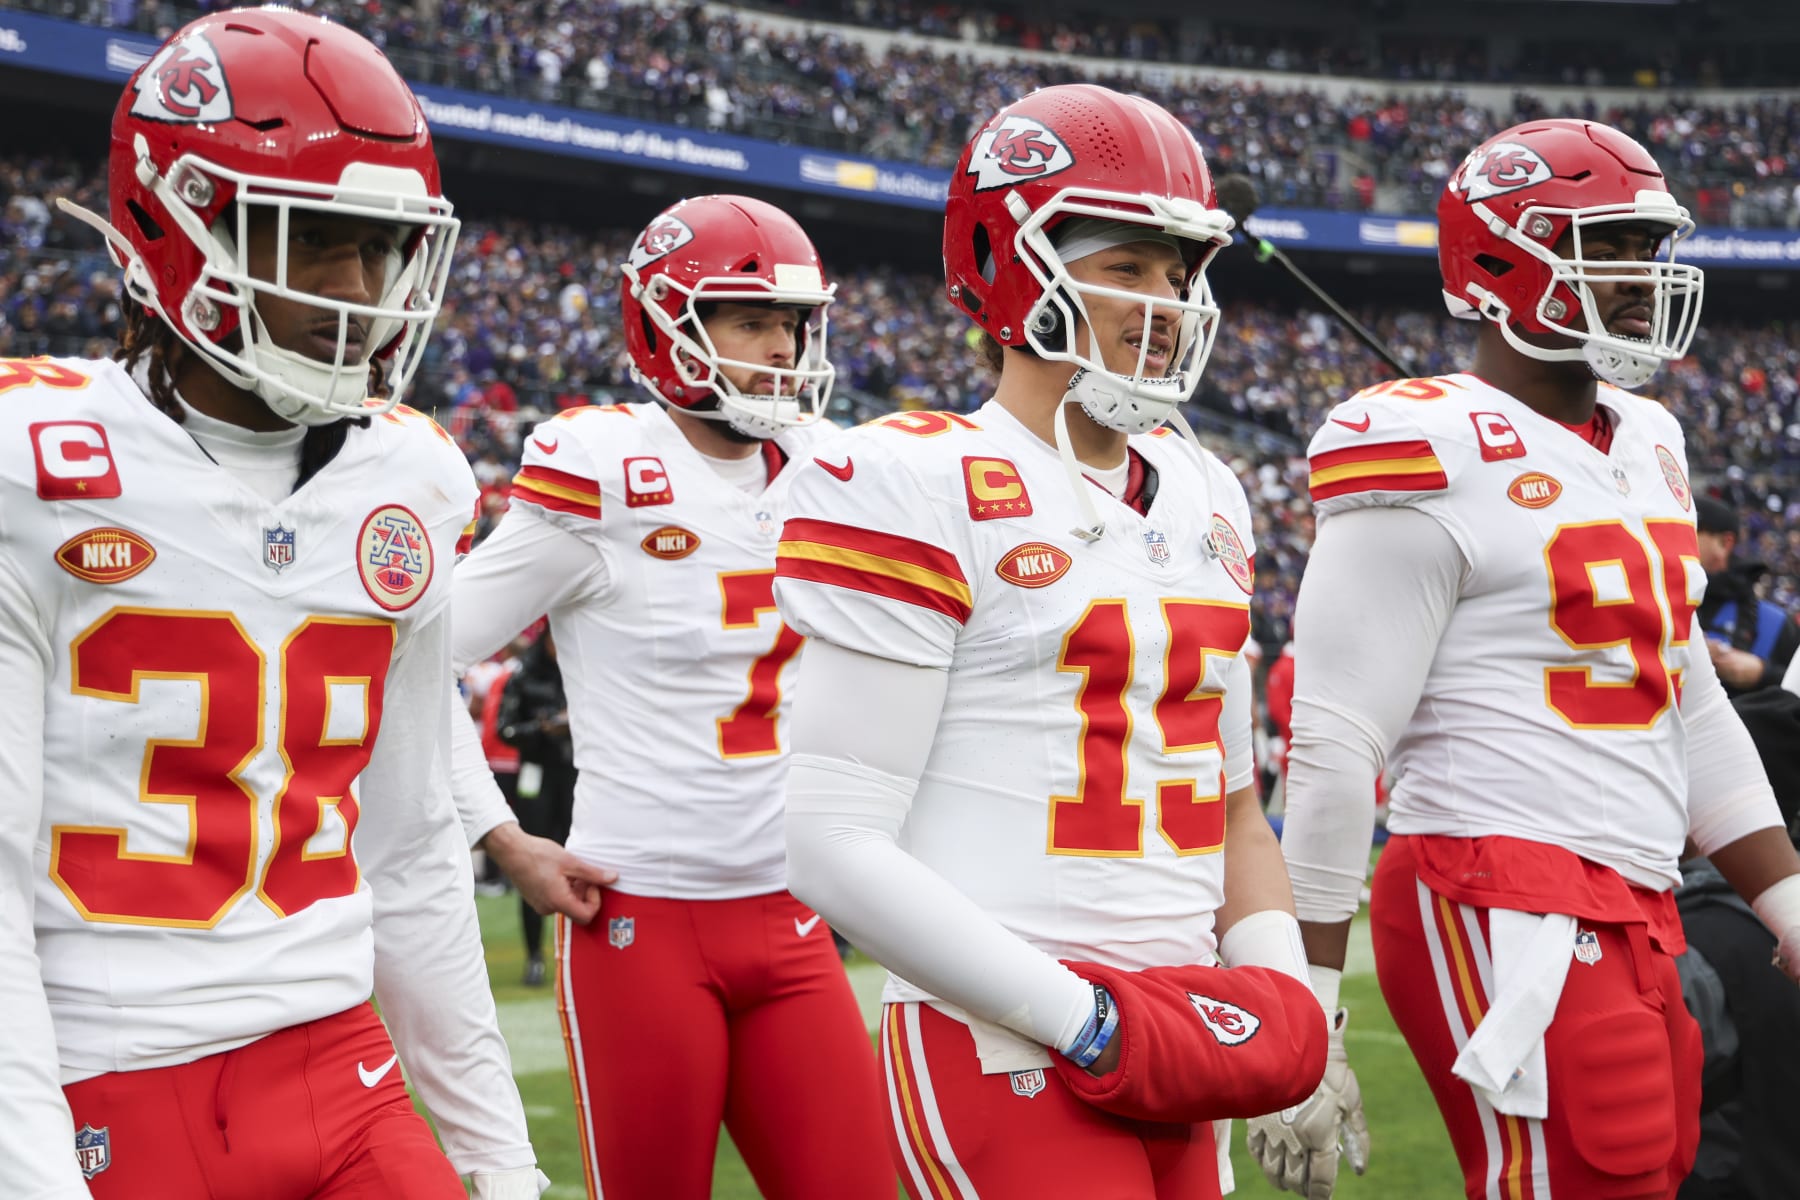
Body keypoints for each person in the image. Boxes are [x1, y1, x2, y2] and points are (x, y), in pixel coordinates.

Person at [0, 9, 545, 1198]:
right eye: (313, 244)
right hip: (107, 1071)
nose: (357, 295)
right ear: (176, 224)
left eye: (379, 249)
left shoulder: (412, 473)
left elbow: (408, 852)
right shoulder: (26, 464)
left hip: (341, 1066)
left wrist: (506, 1168)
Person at [772, 83, 1327, 1200]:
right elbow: (829, 842)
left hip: (1180, 1029)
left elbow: (1230, 812)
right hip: (1007, 1041)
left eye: (1179, 272)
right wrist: (1087, 1022)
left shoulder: (1211, 493)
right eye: (1128, 266)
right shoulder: (914, 478)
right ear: (1015, 267)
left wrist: (1285, 1021)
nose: (1165, 303)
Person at [1258, 118, 1800, 1200]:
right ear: (1507, 258)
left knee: (1656, 1171)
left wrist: (1788, 904)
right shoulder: (1421, 443)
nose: (1644, 280)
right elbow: (1332, 741)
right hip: (1495, 884)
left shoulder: (1649, 439)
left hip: (1641, 895)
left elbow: (1684, 699)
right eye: (1609, 249)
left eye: (1649, 250)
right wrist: (1307, 999)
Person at [447, 194, 892, 1200]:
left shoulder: (835, 472)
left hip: (794, 913)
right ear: (666, 325)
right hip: (640, 919)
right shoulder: (604, 468)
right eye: (750, 320)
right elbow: (412, 653)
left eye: (792, 323)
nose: (781, 347)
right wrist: (500, 834)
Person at [494, 630, 577, 985]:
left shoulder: (579, 669)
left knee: (581, 860)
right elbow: (505, 728)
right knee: (534, 864)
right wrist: (544, 728)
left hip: (575, 775)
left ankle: (577, 953)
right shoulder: (525, 674)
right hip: (536, 776)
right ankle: (534, 956)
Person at [1693, 495, 1800, 696]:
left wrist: (1761, 674)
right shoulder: (1656, 600)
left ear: (1726, 543)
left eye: (1692, 530)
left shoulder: (1773, 622)